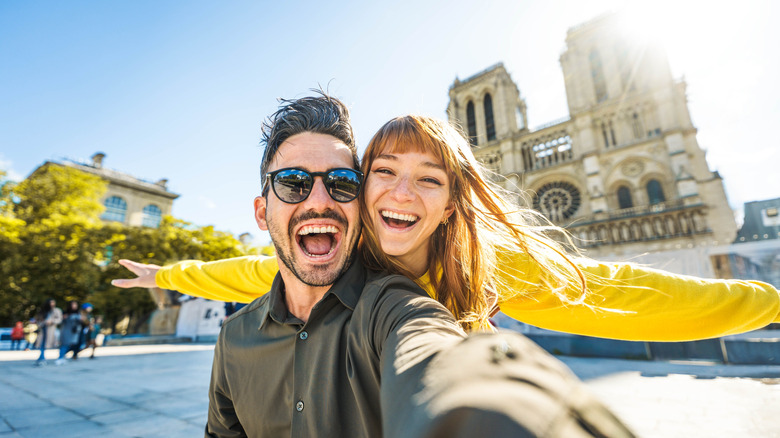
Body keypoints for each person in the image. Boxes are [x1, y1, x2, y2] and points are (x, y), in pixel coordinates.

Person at [160, 93, 636, 437]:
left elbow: (436, 354)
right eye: (292, 182)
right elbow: (237, 272)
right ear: (263, 213)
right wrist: (162, 275)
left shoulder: (393, 303)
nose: (320, 200)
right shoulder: (235, 338)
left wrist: (514, 405)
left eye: (343, 182)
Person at [115, 114, 780, 342]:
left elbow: (622, 293)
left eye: (430, 178)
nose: (403, 191)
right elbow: (247, 272)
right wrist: (167, 275)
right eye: (385, 172)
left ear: (451, 202)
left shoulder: (480, 262)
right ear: (361, 185)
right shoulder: (334, 256)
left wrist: (768, 303)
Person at [55, 300, 84, 365]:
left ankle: (63, 356)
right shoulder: (65, 313)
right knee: (65, 344)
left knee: (71, 344)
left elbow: (81, 322)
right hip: (66, 330)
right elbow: (61, 321)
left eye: (75, 304)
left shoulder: (78, 313)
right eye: (73, 304)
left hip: (74, 332)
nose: (74, 306)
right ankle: (60, 357)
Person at [35, 299, 62, 366]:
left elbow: (59, 320)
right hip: (42, 329)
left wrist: (52, 321)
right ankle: (42, 359)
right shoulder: (43, 311)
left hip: (51, 330)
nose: (52, 304)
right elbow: (37, 321)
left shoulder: (57, 310)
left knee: (46, 345)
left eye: (53, 303)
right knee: (42, 344)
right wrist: (41, 323)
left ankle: (41, 358)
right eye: (51, 303)